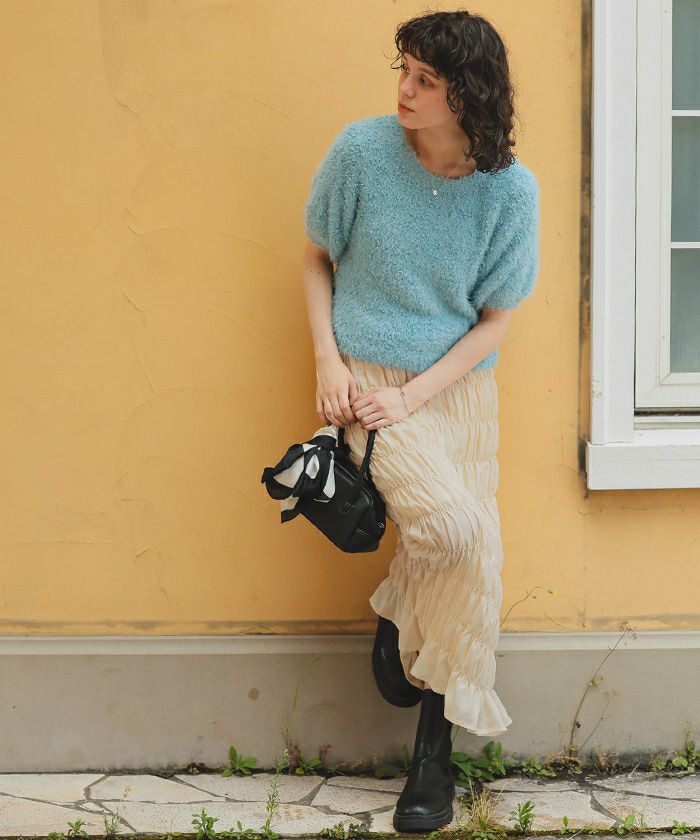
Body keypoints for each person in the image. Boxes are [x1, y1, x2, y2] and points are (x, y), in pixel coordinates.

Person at [301, 8, 540, 834]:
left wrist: (419, 393)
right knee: (455, 533)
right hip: (367, 383)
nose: (404, 89)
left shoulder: (509, 191)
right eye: (403, 70)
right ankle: (402, 605)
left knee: (474, 557)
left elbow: (495, 322)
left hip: (456, 391)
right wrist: (329, 363)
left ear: (465, 94)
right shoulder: (362, 152)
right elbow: (315, 256)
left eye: (425, 79)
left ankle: (431, 757)